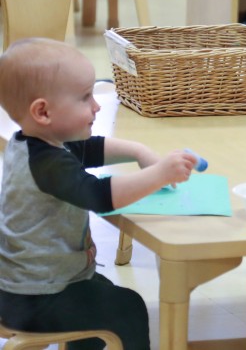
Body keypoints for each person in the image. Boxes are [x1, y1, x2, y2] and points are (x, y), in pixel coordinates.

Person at [0, 38, 200, 349]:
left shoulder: (33, 143)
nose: (96, 106)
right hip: (35, 298)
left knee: (102, 296)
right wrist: (158, 173)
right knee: (128, 307)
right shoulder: (47, 164)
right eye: (84, 98)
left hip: (31, 288)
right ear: (43, 111)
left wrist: (139, 151)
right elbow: (98, 195)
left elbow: (89, 149)